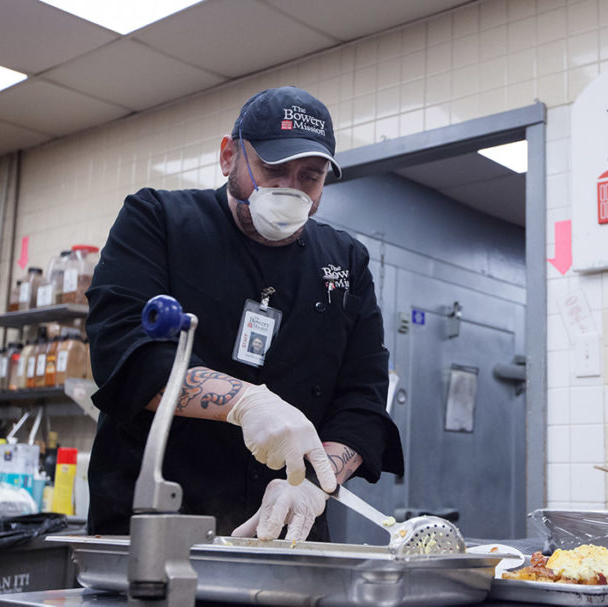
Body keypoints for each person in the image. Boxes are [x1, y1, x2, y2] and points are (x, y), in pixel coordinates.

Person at [84, 86, 404, 542]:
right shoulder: (157, 220)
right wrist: (243, 402)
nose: (290, 190)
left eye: (310, 177)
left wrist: (314, 485)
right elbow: (126, 355)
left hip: (288, 538)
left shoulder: (346, 261)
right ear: (229, 156)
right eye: (273, 169)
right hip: (154, 531)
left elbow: (363, 404)